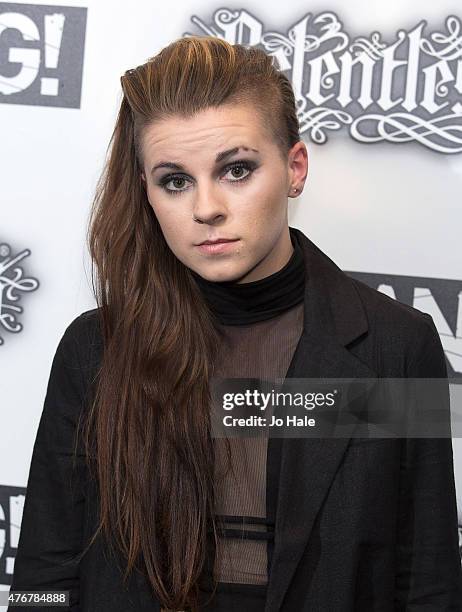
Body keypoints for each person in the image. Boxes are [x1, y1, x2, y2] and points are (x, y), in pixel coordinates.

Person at [8, 35, 462, 612]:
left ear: (295, 168)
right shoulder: (96, 348)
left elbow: (426, 579)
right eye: (175, 181)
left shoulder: (396, 346)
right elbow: (44, 573)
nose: (206, 208)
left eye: (237, 170)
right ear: (147, 192)